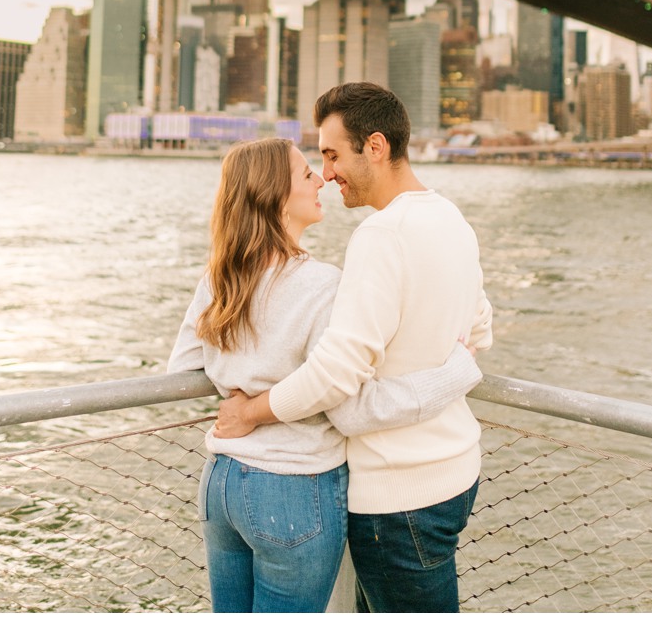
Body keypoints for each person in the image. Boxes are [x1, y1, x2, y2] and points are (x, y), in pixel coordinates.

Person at [168, 137, 484, 612]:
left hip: (221, 483)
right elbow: (350, 407)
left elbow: (183, 365)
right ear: (275, 199)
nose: (321, 177)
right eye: (305, 174)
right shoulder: (324, 286)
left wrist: (245, 387)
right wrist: (456, 374)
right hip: (291, 491)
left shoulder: (220, 277)